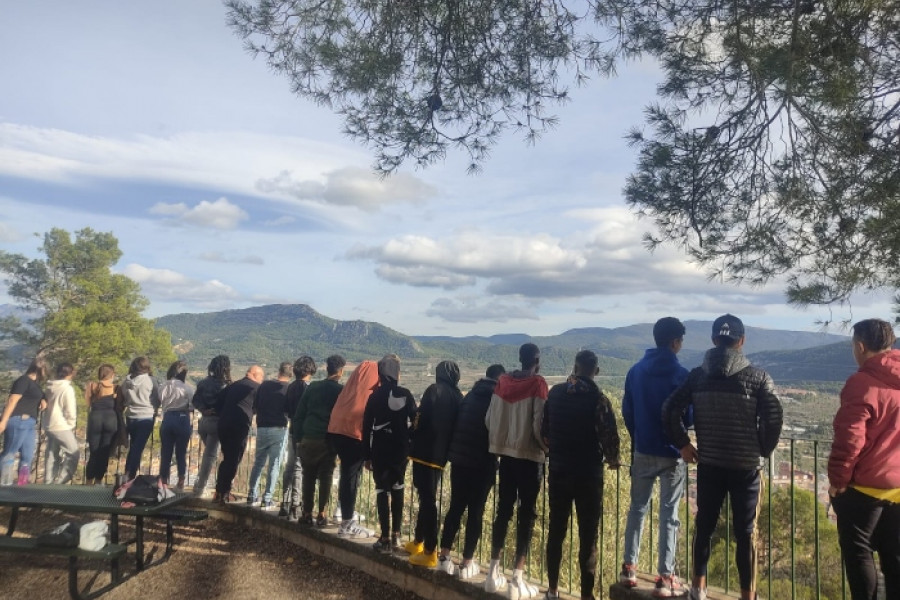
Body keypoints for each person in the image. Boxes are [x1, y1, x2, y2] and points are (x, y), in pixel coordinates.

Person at [662, 314, 783, 600]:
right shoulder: (759, 378)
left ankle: (697, 589)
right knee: (746, 534)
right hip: (746, 468)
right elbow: (774, 416)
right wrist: (762, 449)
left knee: (704, 526)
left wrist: (683, 444)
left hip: (710, 463)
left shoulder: (697, 376)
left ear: (715, 340)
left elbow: (669, 409)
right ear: (741, 341)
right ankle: (747, 595)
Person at [828, 318, 900, 600]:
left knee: (859, 555)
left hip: (864, 488)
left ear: (860, 346)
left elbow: (849, 440)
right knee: (895, 559)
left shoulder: (861, 383)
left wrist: (838, 481)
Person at [543, 350, 621, 600]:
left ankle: (552, 590)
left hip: (557, 471)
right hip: (588, 476)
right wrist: (612, 460)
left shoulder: (554, 394)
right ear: (595, 371)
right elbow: (609, 438)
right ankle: (586, 595)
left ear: (575, 367)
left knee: (556, 531)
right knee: (588, 537)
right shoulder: (599, 399)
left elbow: (545, 432)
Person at [621, 317, 690, 597]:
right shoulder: (681, 375)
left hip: (643, 449)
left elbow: (627, 410)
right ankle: (666, 577)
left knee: (637, 508)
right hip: (673, 453)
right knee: (669, 514)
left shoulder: (636, 371)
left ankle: (629, 568)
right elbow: (689, 415)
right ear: (675, 342)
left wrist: (639, 436)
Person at [483, 343, 549, 598]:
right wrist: (546, 449)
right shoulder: (538, 384)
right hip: (530, 458)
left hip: (505, 456)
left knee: (503, 512)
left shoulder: (502, 382)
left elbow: (489, 420)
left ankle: (491, 573)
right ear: (536, 360)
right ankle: (516, 580)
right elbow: (538, 424)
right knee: (527, 517)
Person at [437, 363, 505, 579]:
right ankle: (467, 563)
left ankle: (444, 557)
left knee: (455, 508)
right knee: (475, 513)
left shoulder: (469, 396)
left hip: (458, 462)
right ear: (500, 379)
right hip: (482, 463)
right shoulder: (496, 399)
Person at [407, 360, 463, 568]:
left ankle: (430, 549)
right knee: (426, 496)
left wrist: (411, 433)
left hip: (424, 453)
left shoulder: (434, 390)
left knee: (428, 500)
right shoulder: (458, 396)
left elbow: (419, 419)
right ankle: (418, 542)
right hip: (442, 457)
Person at [363, 354, 416, 554]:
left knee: (381, 491)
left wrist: (366, 456)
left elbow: (366, 426)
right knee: (398, 488)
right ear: (397, 373)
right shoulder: (406, 394)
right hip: (400, 451)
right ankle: (396, 535)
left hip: (380, 450)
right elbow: (416, 420)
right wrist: (408, 438)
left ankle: (384, 537)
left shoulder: (374, 396)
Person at [327, 360, 380, 538]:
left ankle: (344, 512)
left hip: (336, 430)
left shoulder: (352, 386)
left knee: (347, 474)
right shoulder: (372, 386)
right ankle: (347, 523)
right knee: (351, 476)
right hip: (353, 434)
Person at [293, 355, 345, 526]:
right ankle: (321, 513)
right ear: (341, 371)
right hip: (327, 440)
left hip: (308, 438)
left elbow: (299, 415)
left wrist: (297, 439)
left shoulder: (313, 387)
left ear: (326, 368)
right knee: (326, 476)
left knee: (307, 476)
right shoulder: (341, 391)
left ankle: (306, 513)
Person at [214, 365, 264, 503]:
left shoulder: (232, 386)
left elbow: (217, 404)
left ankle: (218, 491)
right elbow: (259, 407)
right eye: (262, 376)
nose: (262, 379)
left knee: (227, 458)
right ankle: (224, 493)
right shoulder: (256, 388)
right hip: (239, 425)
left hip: (223, 424)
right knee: (234, 459)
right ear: (255, 374)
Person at [248, 361, 293, 509]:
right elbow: (290, 411)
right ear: (290, 375)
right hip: (279, 429)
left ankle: (252, 495)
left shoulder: (264, 385)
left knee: (258, 462)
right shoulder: (289, 389)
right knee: (274, 464)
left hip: (261, 428)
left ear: (279, 371)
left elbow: (255, 405)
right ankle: (267, 498)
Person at [0, 358, 47, 485]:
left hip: (30, 423)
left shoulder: (34, 384)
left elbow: (38, 395)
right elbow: (12, 401)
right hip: (19, 420)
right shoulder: (23, 381)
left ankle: (22, 485)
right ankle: (4, 484)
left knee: (27, 457)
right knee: (9, 453)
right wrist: (3, 421)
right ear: (41, 369)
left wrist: (43, 399)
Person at [280, 355, 317, 519]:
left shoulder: (291, 387)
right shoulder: (307, 388)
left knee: (290, 466)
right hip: (303, 433)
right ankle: (296, 505)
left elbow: (286, 410)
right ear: (310, 370)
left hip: (292, 430)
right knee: (298, 468)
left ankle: (285, 503)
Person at [191, 355, 231, 496]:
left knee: (208, 454)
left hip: (203, 422)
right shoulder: (226, 386)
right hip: (217, 423)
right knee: (210, 456)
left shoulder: (203, 383)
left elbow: (195, 400)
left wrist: (204, 410)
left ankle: (199, 483)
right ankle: (200, 488)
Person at [121, 356, 160, 480]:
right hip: (146, 417)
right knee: (138, 448)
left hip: (130, 416)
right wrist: (153, 408)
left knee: (134, 447)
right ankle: (130, 476)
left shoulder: (126, 381)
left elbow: (124, 398)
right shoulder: (151, 381)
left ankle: (128, 473)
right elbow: (157, 398)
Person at [158, 360, 194, 490]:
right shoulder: (186, 388)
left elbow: (160, 401)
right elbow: (192, 405)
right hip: (182, 418)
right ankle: (181, 480)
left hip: (167, 418)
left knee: (166, 452)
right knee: (181, 452)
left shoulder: (163, 386)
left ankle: (163, 481)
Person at [43, 362, 80, 485]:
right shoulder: (66, 389)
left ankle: (48, 482)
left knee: (52, 454)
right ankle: (61, 481)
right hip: (60, 426)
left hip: (49, 424)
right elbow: (70, 410)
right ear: (70, 373)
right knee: (73, 453)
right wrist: (70, 424)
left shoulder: (50, 386)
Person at [84, 364, 120, 484]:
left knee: (94, 452)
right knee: (104, 452)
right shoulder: (116, 388)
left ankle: (89, 480)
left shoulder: (92, 386)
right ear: (112, 375)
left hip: (95, 419)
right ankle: (99, 481)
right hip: (111, 420)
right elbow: (120, 406)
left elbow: (88, 403)